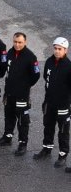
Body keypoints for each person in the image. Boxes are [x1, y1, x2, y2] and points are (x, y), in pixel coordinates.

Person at [0, 32, 40, 151]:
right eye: (15, 42)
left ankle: (22, 144)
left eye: (20, 42)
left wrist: (25, 85)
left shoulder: (30, 57)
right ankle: (7, 137)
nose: (17, 44)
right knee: (9, 116)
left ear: (25, 42)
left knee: (22, 121)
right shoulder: (10, 52)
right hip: (9, 93)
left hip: (22, 95)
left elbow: (36, 75)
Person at [34, 37, 71, 168]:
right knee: (48, 127)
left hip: (62, 106)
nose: (56, 51)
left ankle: (62, 155)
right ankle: (46, 149)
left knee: (63, 132)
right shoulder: (49, 61)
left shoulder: (69, 66)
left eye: (59, 49)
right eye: (55, 48)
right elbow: (46, 78)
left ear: (65, 50)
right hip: (49, 103)